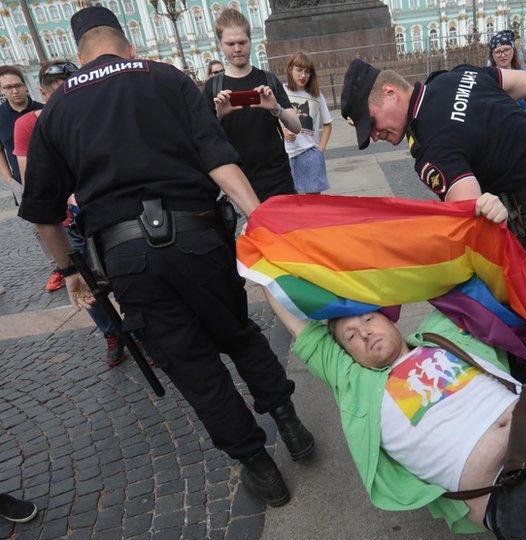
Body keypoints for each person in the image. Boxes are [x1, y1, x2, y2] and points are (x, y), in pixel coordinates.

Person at [17, 7, 315, 507]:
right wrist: (263, 222)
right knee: (237, 332)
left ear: (79, 54)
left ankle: (261, 468)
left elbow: (43, 213)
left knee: (191, 363)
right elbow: (219, 159)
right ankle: (290, 423)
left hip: (126, 256)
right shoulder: (166, 78)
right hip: (198, 236)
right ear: (127, 45)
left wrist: (70, 272)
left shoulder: (57, 108)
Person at [263, 266, 526, 540]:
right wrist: (260, 266)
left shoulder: (442, 332)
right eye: (350, 336)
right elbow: (299, 324)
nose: (363, 333)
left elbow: (471, 270)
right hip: (505, 491)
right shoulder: (357, 383)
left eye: (368, 319)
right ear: (346, 355)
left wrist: (487, 213)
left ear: (389, 319)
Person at [339, 59, 526, 274]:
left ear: (390, 93)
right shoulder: (452, 78)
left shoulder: (430, 144)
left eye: (371, 122)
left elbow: (468, 214)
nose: (374, 135)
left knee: (520, 311)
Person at [13, 59, 127, 368]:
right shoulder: (28, 124)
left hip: (100, 210)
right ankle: (111, 333)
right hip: (66, 218)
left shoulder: (90, 114)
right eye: (54, 90)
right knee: (80, 277)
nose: (63, 95)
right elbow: (31, 179)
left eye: (68, 87)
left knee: (124, 271)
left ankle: (138, 329)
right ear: (43, 91)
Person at [203, 8, 302, 202]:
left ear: (250, 40)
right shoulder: (213, 87)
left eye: (242, 42)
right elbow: (204, 140)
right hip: (239, 183)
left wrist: (276, 108)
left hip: (278, 178)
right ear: (221, 45)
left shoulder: (268, 79)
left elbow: (296, 127)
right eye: (230, 44)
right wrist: (219, 115)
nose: (237, 48)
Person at [0, 65, 62, 293]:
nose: (14, 91)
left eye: (17, 85)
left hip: (52, 178)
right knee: (39, 226)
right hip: (20, 181)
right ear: (2, 90)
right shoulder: (0, 116)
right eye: (8, 87)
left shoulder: (42, 109)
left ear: (25, 86)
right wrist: (8, 179)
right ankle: (59, 266)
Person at [282, 51, 332, 195]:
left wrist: (320, 151)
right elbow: (273, 117)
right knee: (292, 201)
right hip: (286, 154)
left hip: (309, 153)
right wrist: (283, 132)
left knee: (314, 202)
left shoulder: (316, 95)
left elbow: (328, 124)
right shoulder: (282, 91)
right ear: (290, 69)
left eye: (307, 72)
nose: (303, 76)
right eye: (299, 70)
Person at [487, 30, 526, 114]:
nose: (503, 55)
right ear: (492, 55)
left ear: (513, 50)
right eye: (498, 52)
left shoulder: (522, 74)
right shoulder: (489, 78)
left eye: (506, 50)